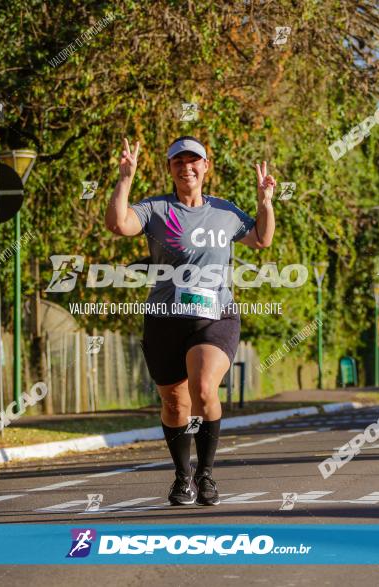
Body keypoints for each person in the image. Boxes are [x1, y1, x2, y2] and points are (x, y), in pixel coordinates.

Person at [105, 136, 274, 506]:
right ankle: (183, 477)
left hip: (215, 315)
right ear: (170, 169)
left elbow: (261, 239)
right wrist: (125, 178)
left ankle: (206, 474)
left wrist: (265, 203)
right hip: (166, 318)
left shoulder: (225, 212)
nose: (187, 168)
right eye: (178, 162)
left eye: (193, 161)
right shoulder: (155, 209)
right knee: (175, 405)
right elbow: (118, 224)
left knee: (202, 389)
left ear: (206, 166)